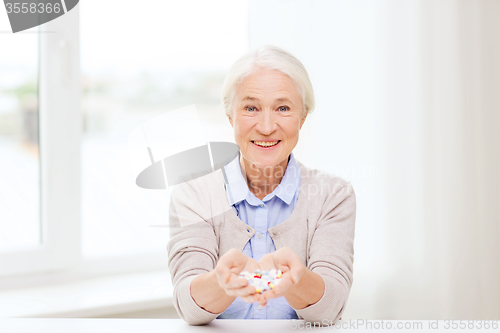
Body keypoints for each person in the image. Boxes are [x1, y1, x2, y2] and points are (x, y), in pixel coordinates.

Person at [167, 45, 356, 326]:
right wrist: (222, 281)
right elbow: (189, 308)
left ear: (302, 117)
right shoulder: (194, 193)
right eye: (251, 108)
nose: (267, 127)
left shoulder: (333, 196)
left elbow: (329, 310)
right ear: (230, 115)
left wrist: (296, 279)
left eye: (283, 108)